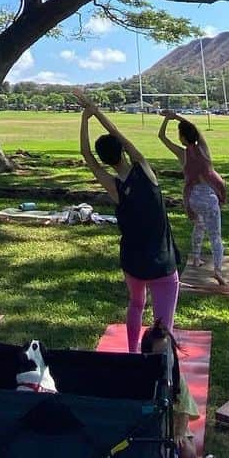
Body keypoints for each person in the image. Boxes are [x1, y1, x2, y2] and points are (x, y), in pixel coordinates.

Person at [74, 88, 180, 353]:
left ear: (106, 159)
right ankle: (161, 364)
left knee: (136, 304)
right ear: (123, 152)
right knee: (163, 323)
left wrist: (84, 119)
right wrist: (96, 111)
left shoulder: (114, 187)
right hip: (162, 261)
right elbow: (122, 137)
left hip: (133, 260)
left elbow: (87, 156)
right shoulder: (145, 171)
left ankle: (133, 354)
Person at [159, 112, 227, 284]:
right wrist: (177, 116)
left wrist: (167, 119)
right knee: (215, 236)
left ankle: (196, 258)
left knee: (199, 226)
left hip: (192, 200)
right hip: (209, 198)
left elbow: (161, 136)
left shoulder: (183, 154)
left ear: (182, 138)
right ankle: (218, 270)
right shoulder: (203, 149)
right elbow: (194, 128)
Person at [141, 320, 199, 458]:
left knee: (189, 454)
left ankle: (187, 443)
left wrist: (179, 434)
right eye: (159, 355)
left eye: (168, 354)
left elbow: (184, 409)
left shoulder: (178, 380)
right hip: (152, 425)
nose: (165, 360)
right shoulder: (143, 377)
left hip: (175, 426)